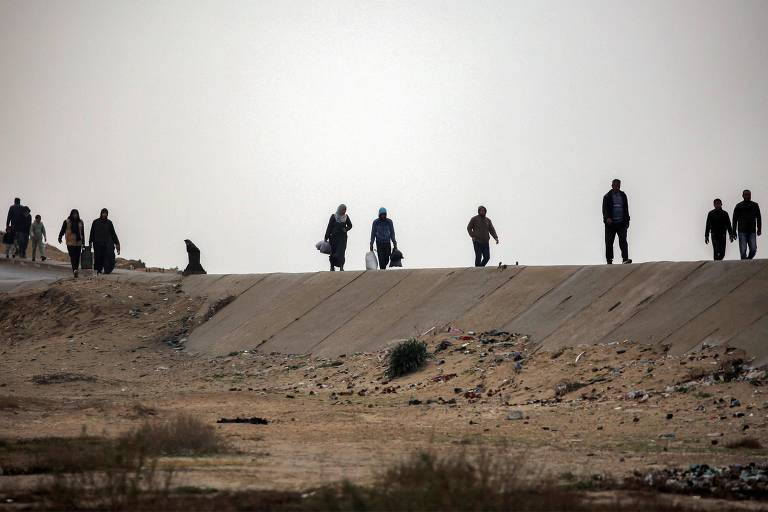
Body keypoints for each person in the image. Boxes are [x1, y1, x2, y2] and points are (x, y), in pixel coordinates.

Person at [602, 179, 632, 264]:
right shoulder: (607, 196)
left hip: (621, 223)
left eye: (618, 185)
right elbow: (604, 209)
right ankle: (609, 260)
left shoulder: (623, 195)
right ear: (612, 185)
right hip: (610, 224)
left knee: (623, 240)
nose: (617, 187)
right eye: (615, 185)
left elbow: (626, 208)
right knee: (609, 242)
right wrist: (607, 218)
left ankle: (625, 259)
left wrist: (627, 220)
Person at [89, 208, 121, 274]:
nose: (104, 214)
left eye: (106, 213)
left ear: (107, 214)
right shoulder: (95, 222)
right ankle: (97, 270)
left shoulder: (109, 223)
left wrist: (117, 243)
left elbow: (113, 234)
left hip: (105, 243)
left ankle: (102, 269)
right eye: (103, 213)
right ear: (101, 213)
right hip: (97, 243)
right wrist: (90, 241)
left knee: (104, 257)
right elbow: (92, 232)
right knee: (97, 257)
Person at [732, 189, 762, 260]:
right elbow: (734, 220)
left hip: (752, 231)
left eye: (749, 194)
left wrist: (759, 229)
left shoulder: (755, 205)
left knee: (753, 249)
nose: (748, 196)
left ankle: (748, 261)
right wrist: (733, 232)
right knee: (743, 250)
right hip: (742, 231)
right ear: (742, 196)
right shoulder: (738, 206)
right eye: (746, 194)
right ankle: (744, 265)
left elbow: (759, 218)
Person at [58, 209, 85, 278]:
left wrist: (83, 243)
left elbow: (82, 232)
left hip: (78, 242)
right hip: (70, 243)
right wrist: (60, 237)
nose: (75, 215)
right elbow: (63, 230)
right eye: (74, 214)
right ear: (71, 214)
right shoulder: (67, 221)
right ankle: (75, 270)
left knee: (77, 257)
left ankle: (75, 270)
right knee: (73, 256)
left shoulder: (80, 222)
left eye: (76, 214)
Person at [324, 204, 352, 271]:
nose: (344, 211)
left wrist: (346, 229)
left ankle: (341, 266)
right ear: (340, 209)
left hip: (342, 239)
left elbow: (350, 225)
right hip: (333, 238)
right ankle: (332, 266)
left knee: (341, 253)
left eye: (345, 210)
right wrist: (326, 236)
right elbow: (329, 227)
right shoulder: (333, 216)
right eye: (343, 209)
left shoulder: (346, 217)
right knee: (333, 252)